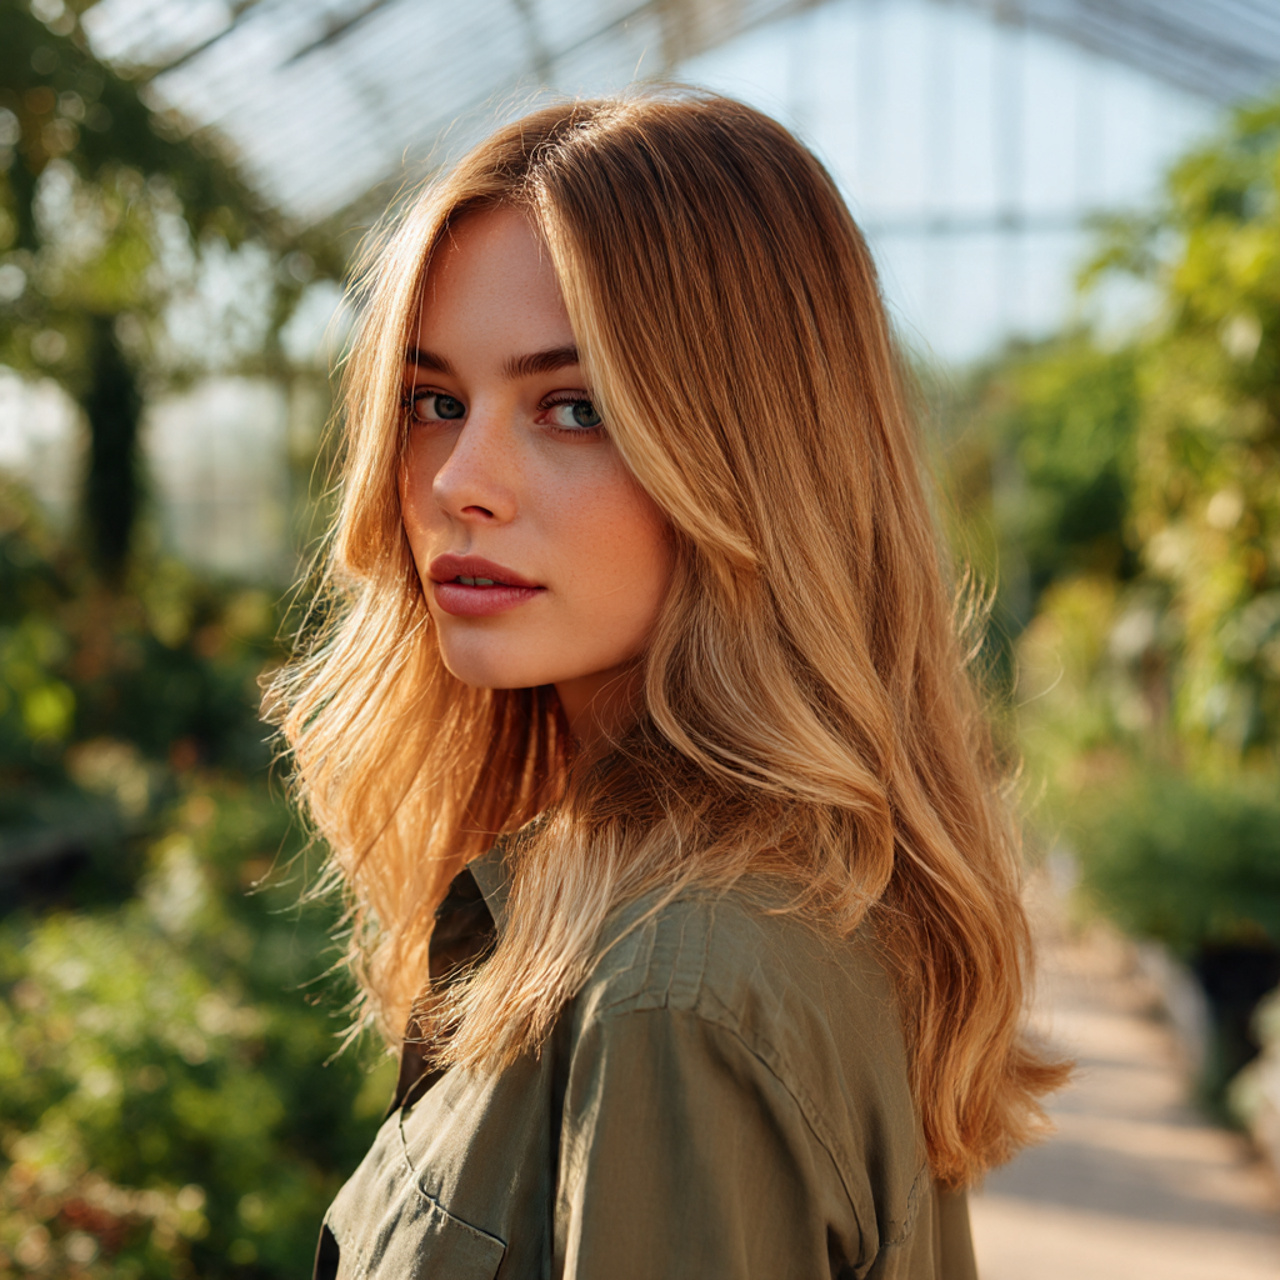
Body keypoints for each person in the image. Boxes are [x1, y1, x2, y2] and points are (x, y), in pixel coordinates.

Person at [270, 89, 1068, 1279]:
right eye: (434, 400)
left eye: (573, 407)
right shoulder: (730, 895)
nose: (457, 481)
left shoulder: (672, 989)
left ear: (748, 458)